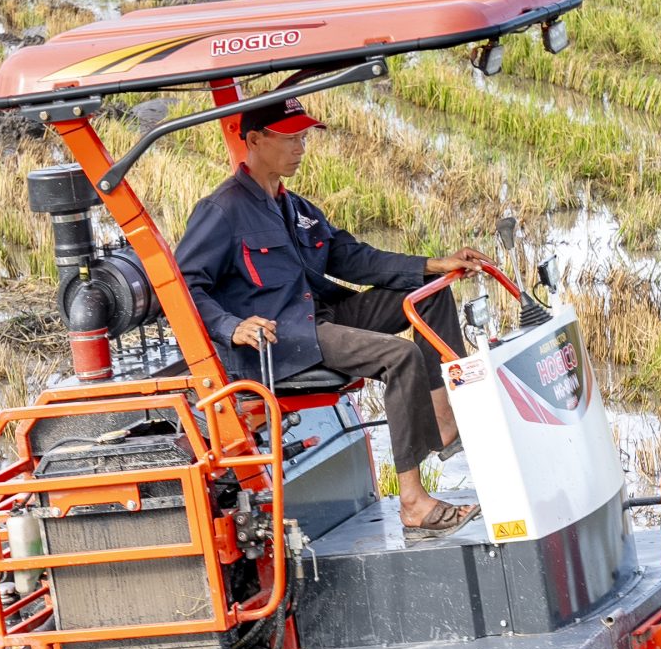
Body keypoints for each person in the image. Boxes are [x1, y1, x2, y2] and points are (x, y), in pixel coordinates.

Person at [173, 93, 495, 537]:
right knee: (399, 356)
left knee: (429, 295)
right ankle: (414, 504)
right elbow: (184, 287)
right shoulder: (221, 211)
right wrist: (232, 326)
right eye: (290, 139)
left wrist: (433, 265)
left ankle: (442, 423)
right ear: (254, 140)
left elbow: (353, 258)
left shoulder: (296, 208)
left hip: (319, 317)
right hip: (283, 339)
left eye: (303, 138)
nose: (300, 148)